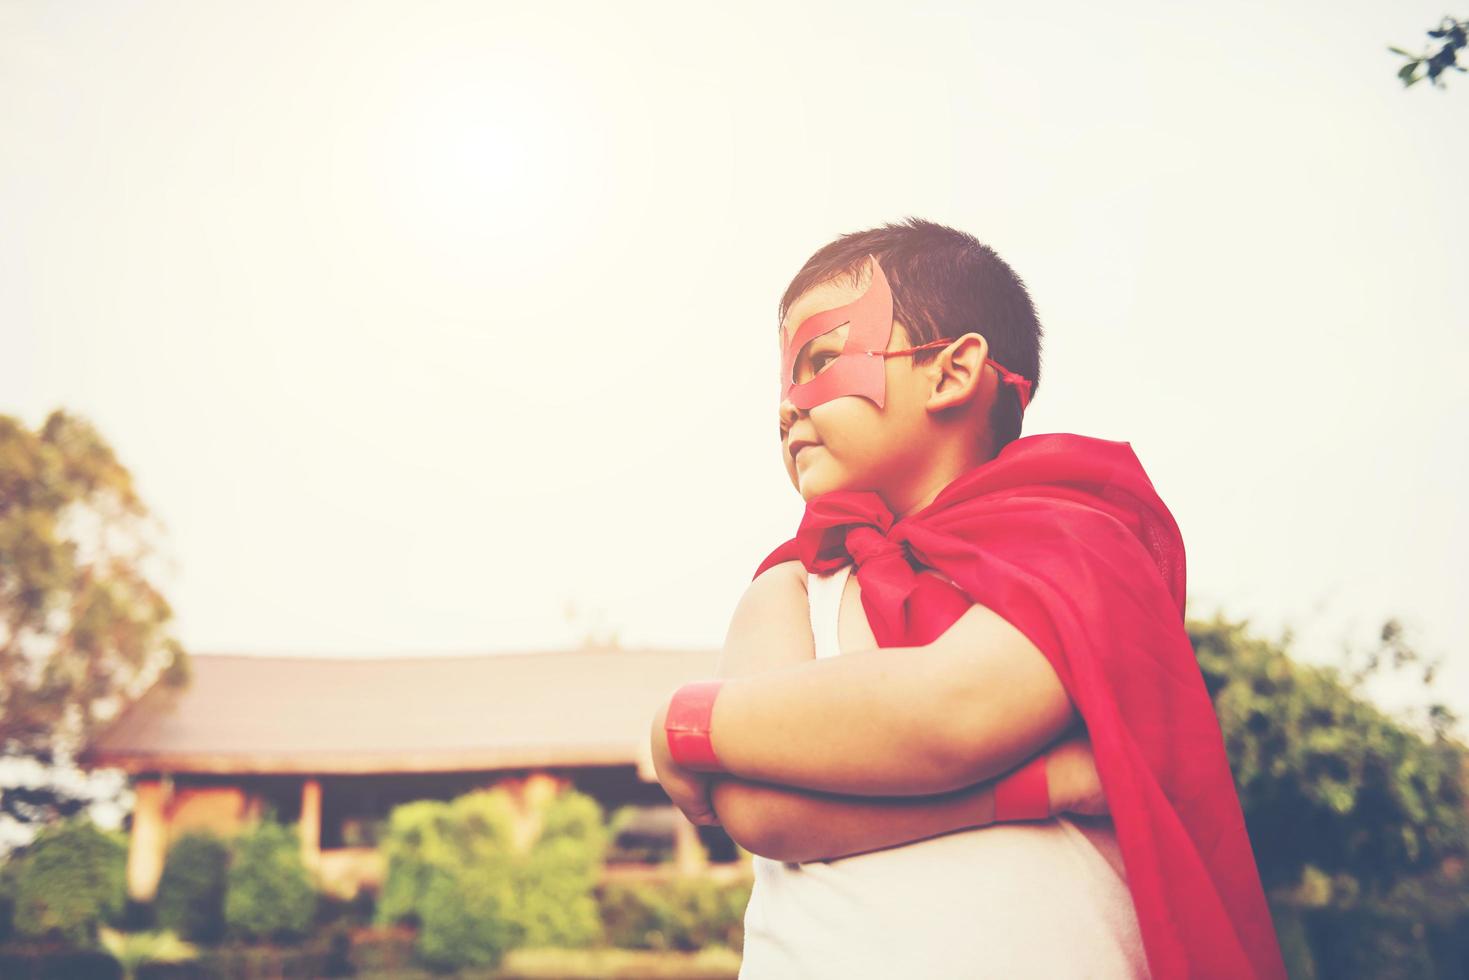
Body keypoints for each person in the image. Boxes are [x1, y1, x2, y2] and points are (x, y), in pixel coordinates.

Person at [649, 219, 1285, 978]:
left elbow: (956, 711)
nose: (788, 407)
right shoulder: (788, 587)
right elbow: (757, 812)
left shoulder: (1078, 545)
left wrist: (687, 719)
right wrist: (1045, 783)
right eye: (784, 383)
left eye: (820, 362)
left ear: (951, 373)